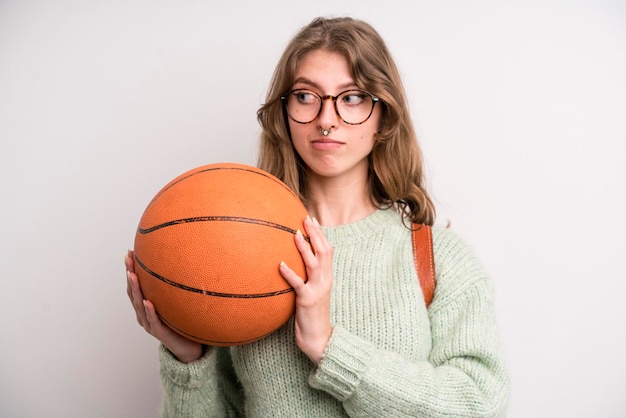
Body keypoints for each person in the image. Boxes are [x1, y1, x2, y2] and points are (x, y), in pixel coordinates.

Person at [125, 16, 509, 417]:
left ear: (384, 114)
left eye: (352, 97)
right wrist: (189, 360)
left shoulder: (438, 258)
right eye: (307, 96)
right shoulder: (230, 248)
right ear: (284, 112)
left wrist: (329, 348)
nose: (327, 120)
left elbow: (478, 406)